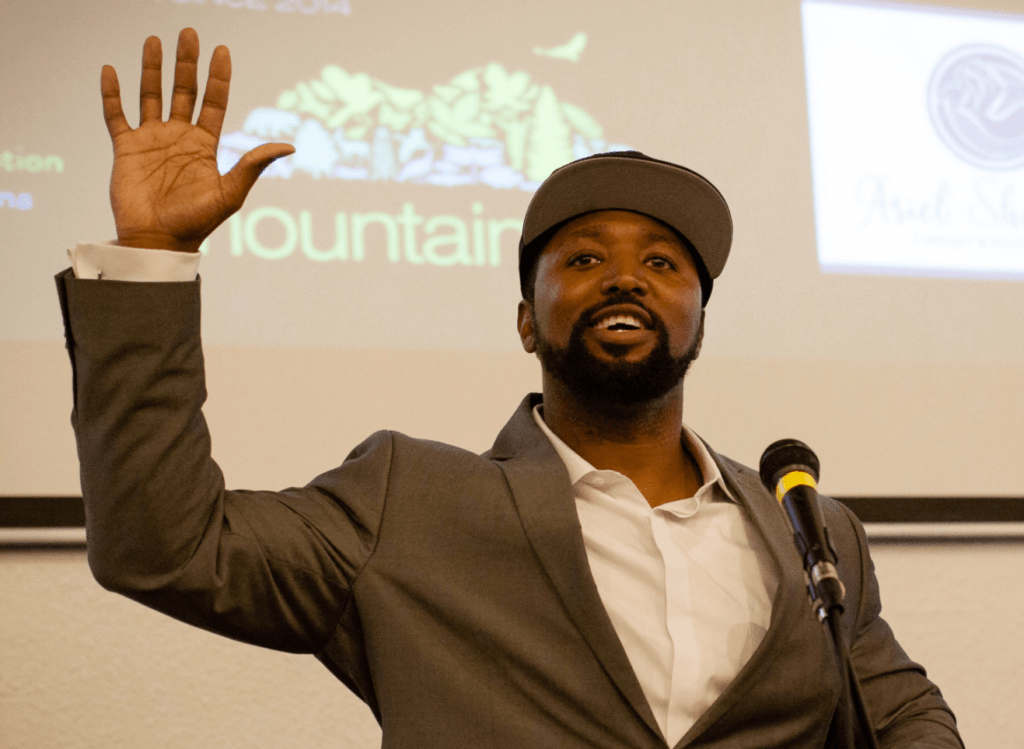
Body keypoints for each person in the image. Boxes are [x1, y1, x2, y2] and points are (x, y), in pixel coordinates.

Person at [58, 28, 962, 749]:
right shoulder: (407, 502)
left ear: (698, 321)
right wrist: (154, 257)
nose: (626, 276)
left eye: (662, 262)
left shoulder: (813, 530)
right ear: (527, 323)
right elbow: (164, 547)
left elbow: (901, 712)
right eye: (584, 259)